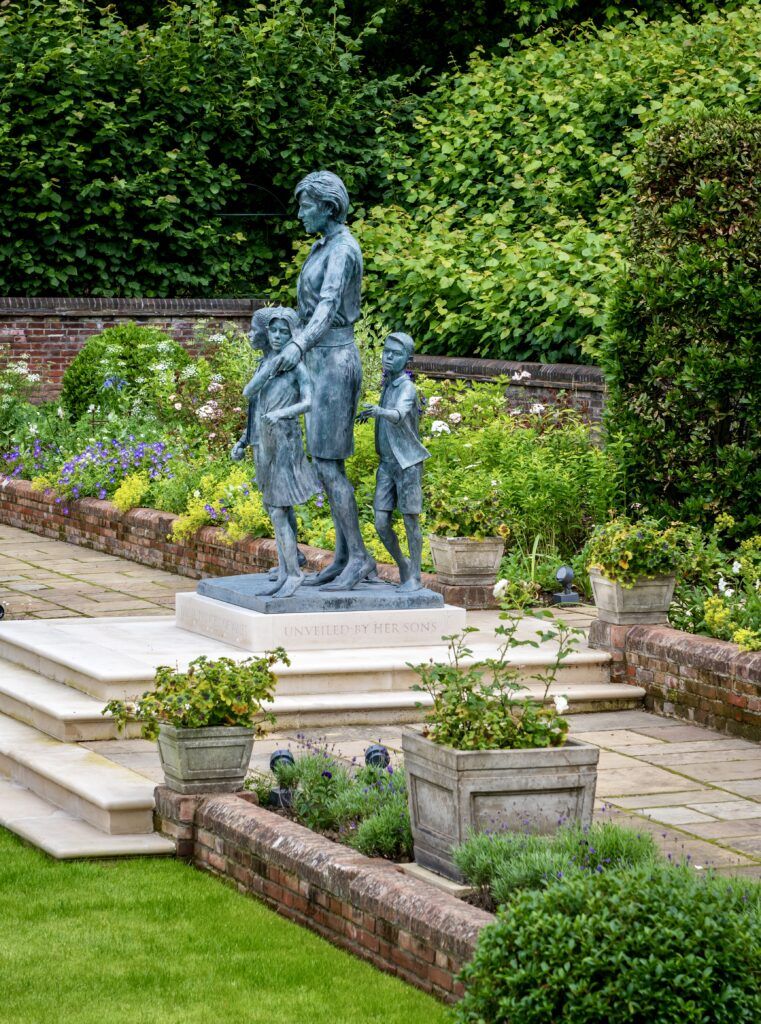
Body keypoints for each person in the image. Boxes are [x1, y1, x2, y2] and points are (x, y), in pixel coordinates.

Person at [269, 170, 375, 592]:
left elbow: (328, 307)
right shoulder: (324, 246)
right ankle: (344, 555)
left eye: (306, 206)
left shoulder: (343, 251)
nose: (300, 214)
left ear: (329, 208)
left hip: (334, 360)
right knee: (326, 461)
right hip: (320, 360)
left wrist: (296, 345)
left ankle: (360, 558)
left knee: (330, 464)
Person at [231, 307, 320, 598]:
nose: (279, 336)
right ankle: (286, 567)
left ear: (293, 334)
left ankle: (293, 574)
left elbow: (308, 401)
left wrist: (283, 413)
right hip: (262, 443)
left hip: (284, 441)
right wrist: (244, 440)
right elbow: (250, 397)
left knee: (279, 509)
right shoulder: (265, 365)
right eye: (274, 331)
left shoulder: (296, 367)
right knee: (274, 507)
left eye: (284, 332)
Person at [358, 332, 430, 592]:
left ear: (407, 359)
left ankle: (416, 578)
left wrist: (379, 412)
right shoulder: (388, 384)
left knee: (411, 520)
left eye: (395, 354)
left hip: (407, 463)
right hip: (387, 464)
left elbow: (399, 414)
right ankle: (403, 564)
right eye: (386, 351)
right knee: (380, 521)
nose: (388, 357)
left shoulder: (407, 387)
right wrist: (371, 415)